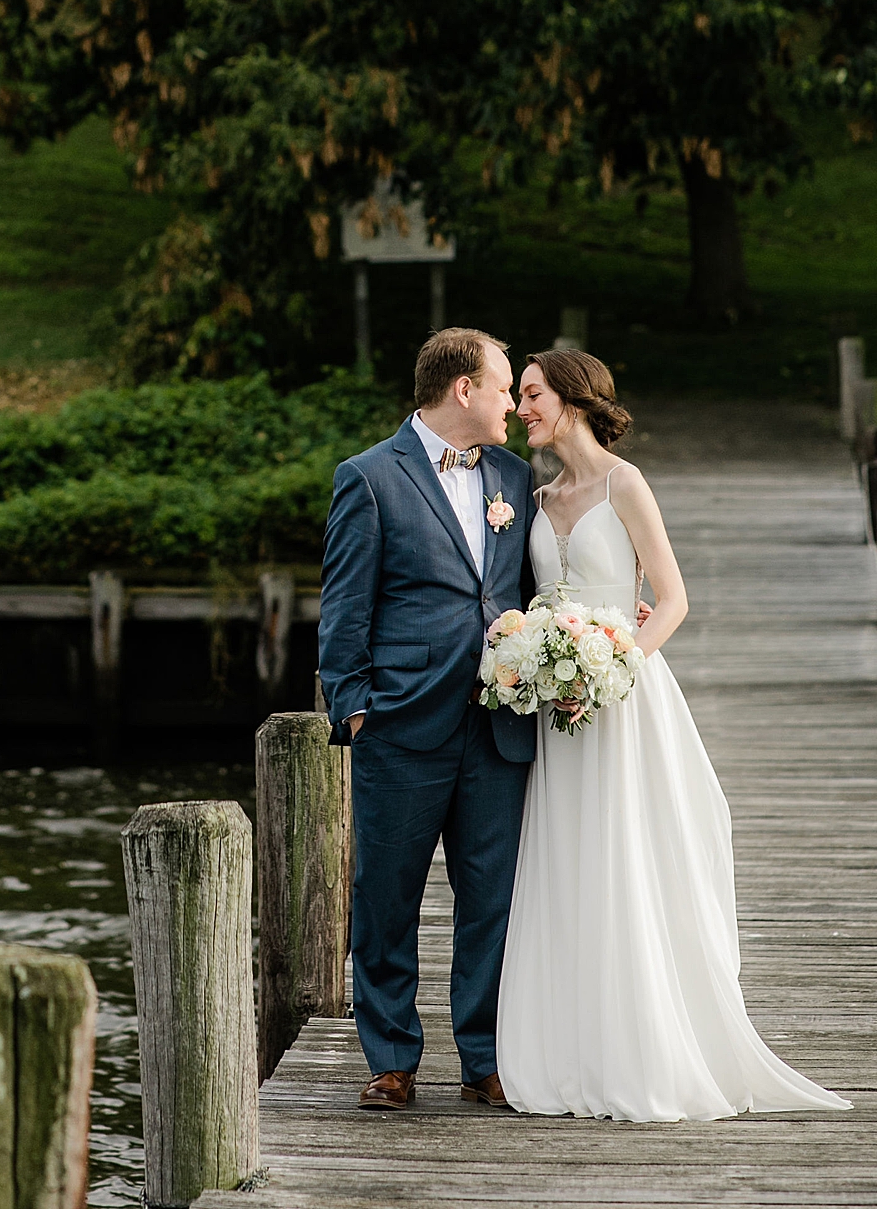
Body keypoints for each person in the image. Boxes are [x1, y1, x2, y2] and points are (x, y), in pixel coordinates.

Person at [496, 347, 849, 1121]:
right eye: (518, 394)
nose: (519, 407)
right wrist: (533, 659)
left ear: (574, 399)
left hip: (620, 697)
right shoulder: (534, 491)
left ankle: (643, 1047)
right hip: (558, 712)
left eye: (530, 394)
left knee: (627, 857)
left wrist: (612, 668)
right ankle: (566, 1054)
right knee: (566, 862)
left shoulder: (625, 485)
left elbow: (675, 598)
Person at [318, 327, 536, 1111]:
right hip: (401, 727)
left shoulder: (513, 474)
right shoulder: (370, 479)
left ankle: (484, 1057)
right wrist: (354, 710)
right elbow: (343, 610)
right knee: (386, 898)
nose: (512, 401)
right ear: (463, 390)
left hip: (496, 726)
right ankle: (393, 1059)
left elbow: (530, 590)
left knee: (493, 897)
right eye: (504, 387)